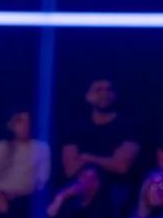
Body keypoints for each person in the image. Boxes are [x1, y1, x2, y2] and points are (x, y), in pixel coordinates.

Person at [60, 79, 140, 208]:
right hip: (81, 191)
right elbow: (70, 170)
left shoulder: (128, 127)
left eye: (109, 90)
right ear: (88, 96)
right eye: (98, 90)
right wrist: (109, 161)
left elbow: (122, 167)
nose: (104, 94)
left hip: (115, 193)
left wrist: (87, 158)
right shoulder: (75, 128)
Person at [0, 110, 51, 218]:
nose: (25, 126)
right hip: (1, 199)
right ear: (12, 125)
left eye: (28, 121)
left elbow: (42, 181)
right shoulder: (3, 146)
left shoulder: (41, 148)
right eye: (20, 121)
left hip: (26, 202)